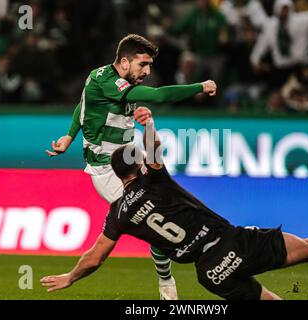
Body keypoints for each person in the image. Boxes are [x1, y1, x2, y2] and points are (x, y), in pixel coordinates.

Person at [41, 113, 308, 300]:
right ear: (136, 166)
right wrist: (149, 124)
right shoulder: (155, 180)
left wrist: (70, 277)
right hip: (231, 245)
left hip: (209, 273)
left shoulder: (117, 213)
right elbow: (155, 151)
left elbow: (96, 256)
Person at [45, 33, 217, 300]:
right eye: (142, 65)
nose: (147, 71)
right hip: (107, 170)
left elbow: (83, 104)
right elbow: (158, 96)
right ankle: (167, 284)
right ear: (124, 62)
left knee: (166, 204)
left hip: (129, 161)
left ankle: (179, 269)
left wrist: (69, 135)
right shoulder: (109, 82)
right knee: (153, 218)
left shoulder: (105, 78)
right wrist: (200, 86)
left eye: (149, 66)